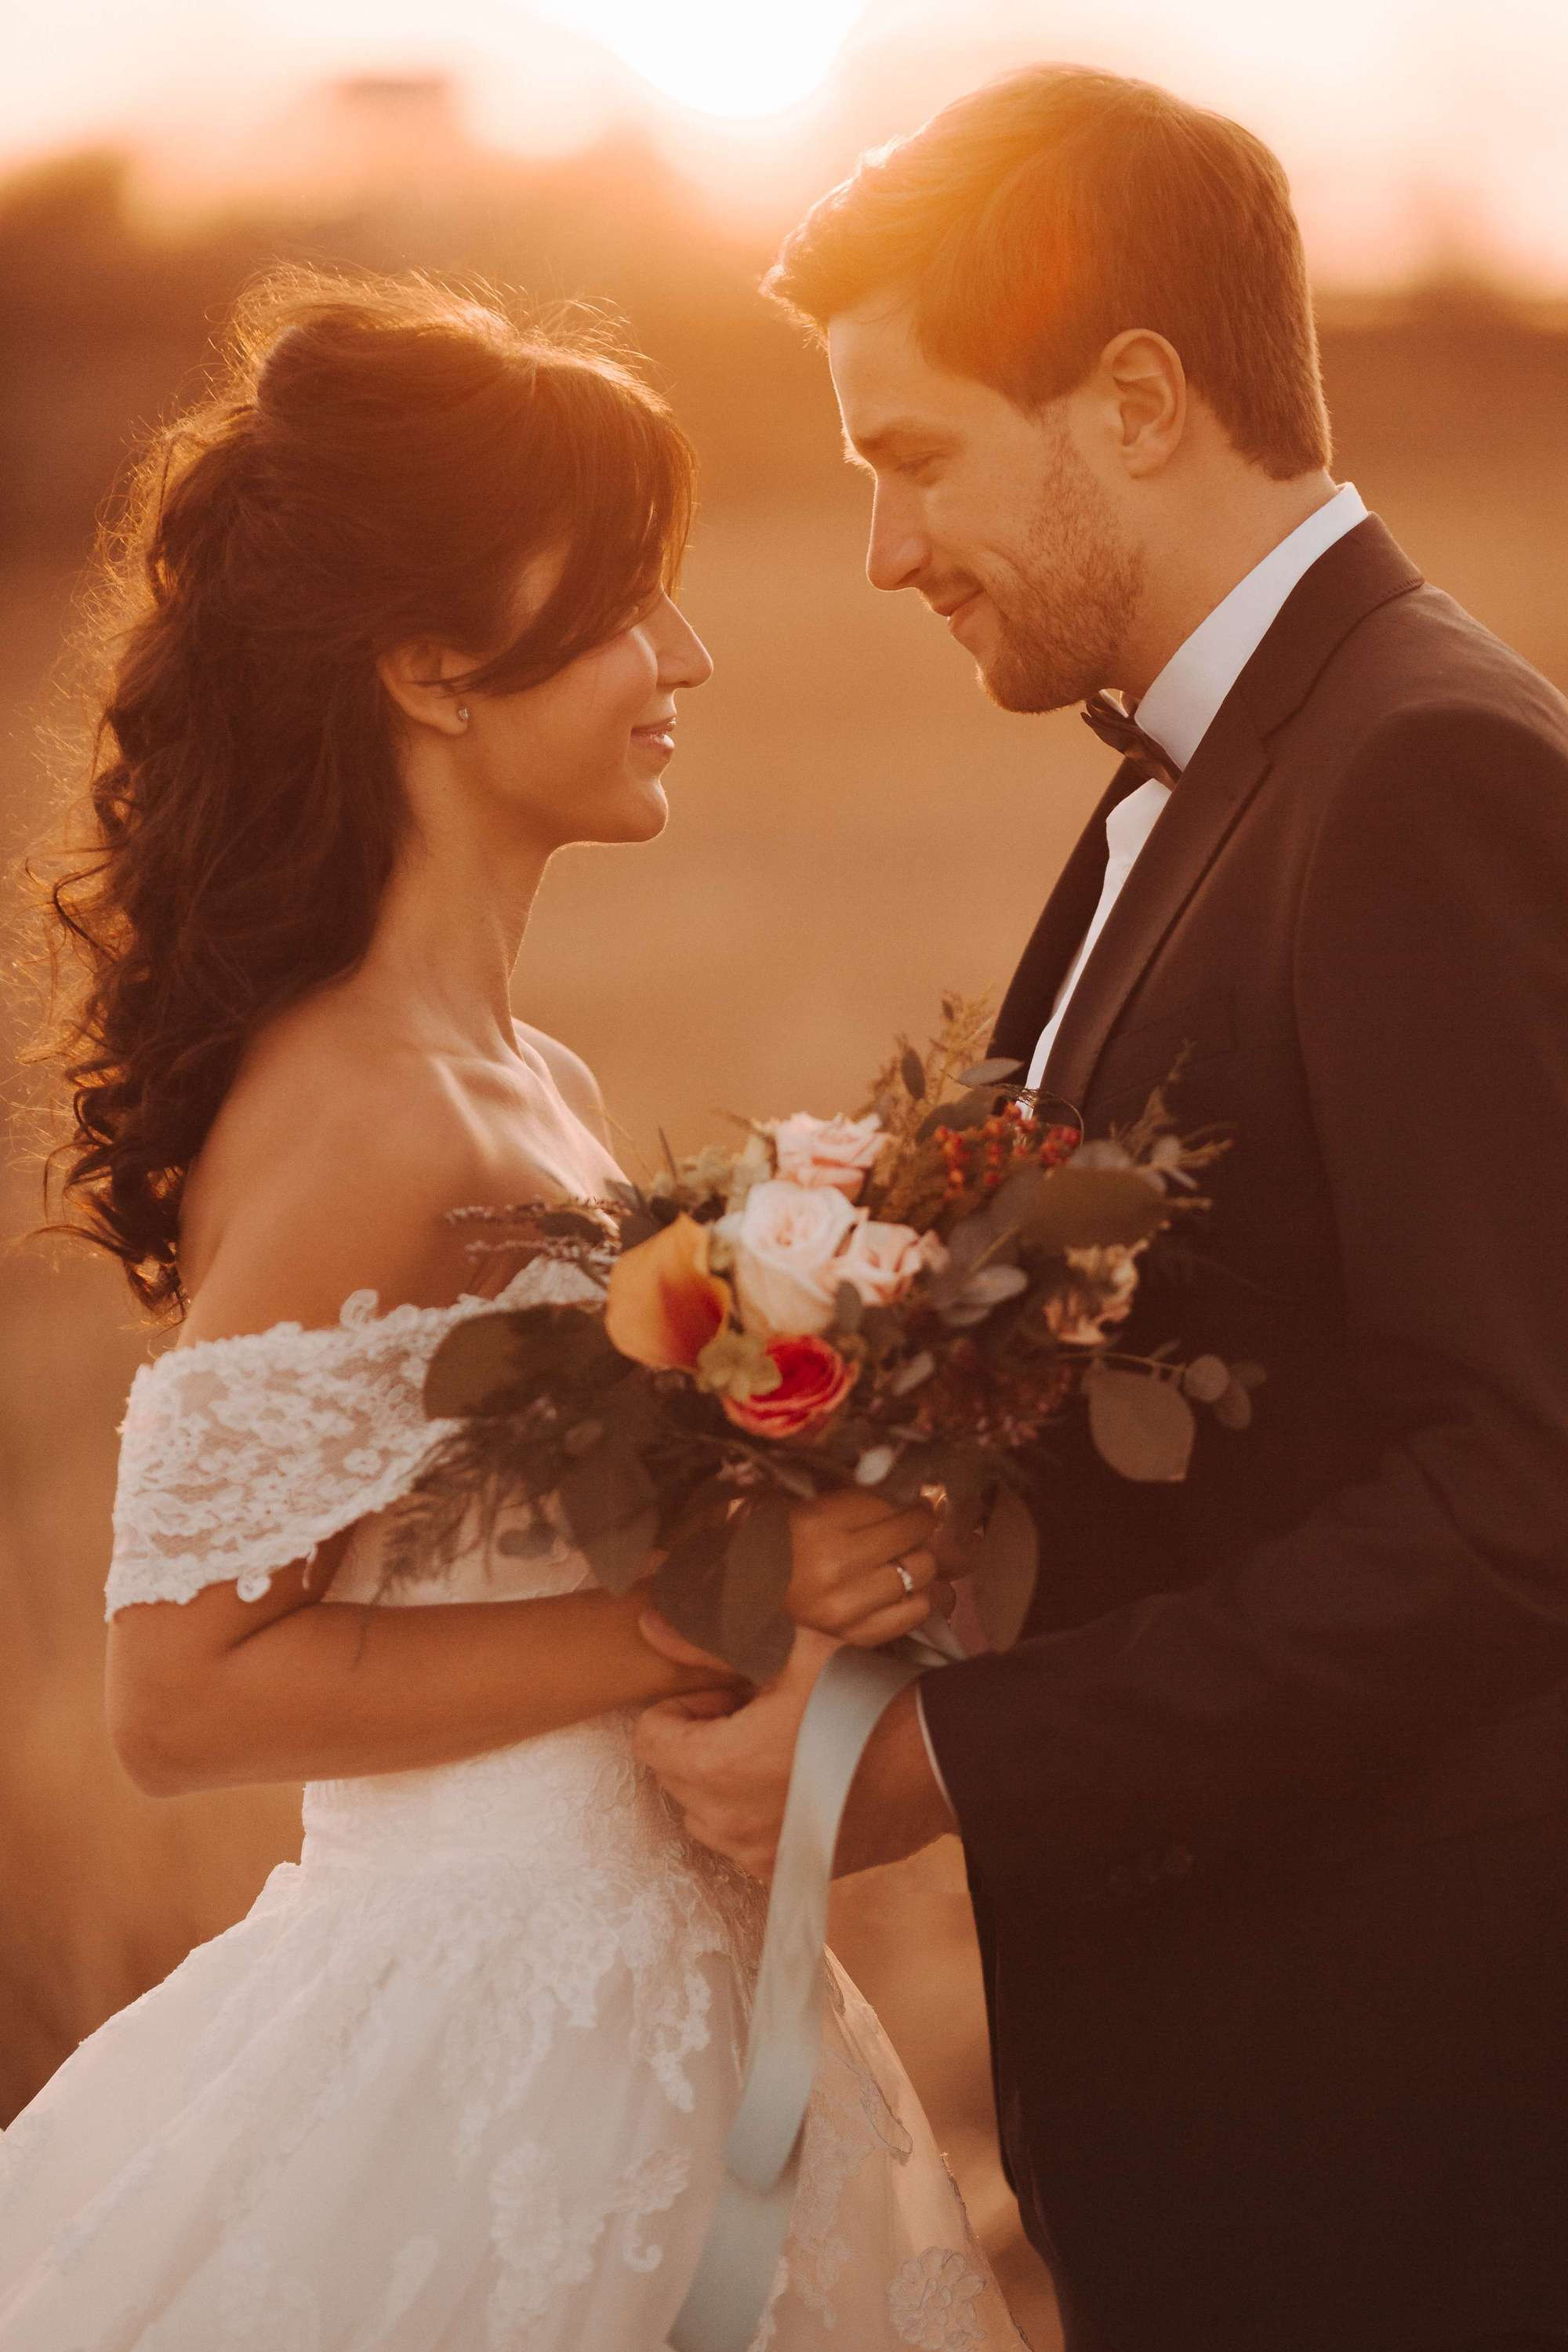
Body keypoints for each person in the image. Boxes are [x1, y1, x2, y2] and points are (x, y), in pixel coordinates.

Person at [0, 267, 1024, 2351]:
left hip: (672, 1987)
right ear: (431, 666)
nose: (692, 654)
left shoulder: (521, 1079)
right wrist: (688, 1615)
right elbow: (178, 1696)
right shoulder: (365, 1109)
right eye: (629, 599)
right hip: (482, 2041)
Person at [636, 66, 1568, 2352]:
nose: (884, 547)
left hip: (1404, 2132)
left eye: (914, 455)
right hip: (1227, 2112)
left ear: (1137, 400)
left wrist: (959, 1761)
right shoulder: (1216, 768)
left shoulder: (1418, 769)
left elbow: (1519, 1494)